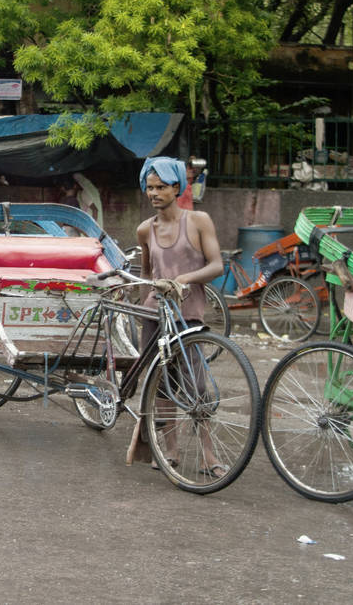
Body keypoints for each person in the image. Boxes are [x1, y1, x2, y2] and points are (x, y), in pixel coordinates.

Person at [134, 156, 225, 477]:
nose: (154, 193)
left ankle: (208, 455)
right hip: (154, 314)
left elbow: (217, 266)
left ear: (176, 187)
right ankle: (169, 450)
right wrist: (142, 296)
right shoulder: (145, 230)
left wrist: (184, 279)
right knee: (161, 384)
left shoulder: (199, 221)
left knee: (197, 386)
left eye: (160, 187)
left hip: (189, 317)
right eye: (149, 187)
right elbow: (147, 274)